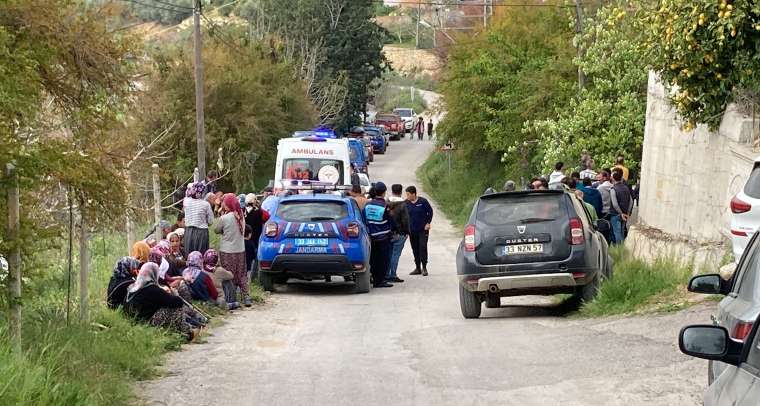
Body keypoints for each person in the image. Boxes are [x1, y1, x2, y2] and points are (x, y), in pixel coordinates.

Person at [125, 262, 196, 341]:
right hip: (147, 323)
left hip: (133, 321)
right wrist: (174, 293)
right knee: (175, 308)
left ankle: (176, 332)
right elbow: (177, 302)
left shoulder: (132, 286)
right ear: (154, 273)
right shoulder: (152, 289)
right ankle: (185, 332)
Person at [214, 193, 251, 306]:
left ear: (228, 204)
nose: (223, 204)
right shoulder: (241, 217)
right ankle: (246, 297)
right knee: (241, 274)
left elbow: (216, 230)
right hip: (240, 250)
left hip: (227, 251)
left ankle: (231, 297)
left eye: (225, 203)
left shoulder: (224, 218)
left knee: (229, 274)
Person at [363, 183, 395, 288]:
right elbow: (391, 221)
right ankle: (380, 281)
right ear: (384, 192)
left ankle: (374, 278)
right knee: (384, 260)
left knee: (373, 259)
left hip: (371, 237)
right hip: (383, 237)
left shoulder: (367, 205)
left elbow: (364, 218)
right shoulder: (386, 205)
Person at [405, 185, 433, 276]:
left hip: (422, 230)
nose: (407, 196)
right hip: (412, 231)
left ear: (414, 194)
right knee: (415, 249)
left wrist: (428, 223)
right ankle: (418, 268)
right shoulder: (406, 203)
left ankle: (424, 267)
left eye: (408, 194)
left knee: (423, 247)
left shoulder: (423, 201)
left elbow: (430, 211)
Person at [386, 184, 410, 284]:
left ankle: (386, 273)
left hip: (387, 233)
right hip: (399, 233)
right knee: (396, 254)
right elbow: (405, 220)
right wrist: (407, 232)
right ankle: (393, 274)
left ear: (392, 191)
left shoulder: (386, 202)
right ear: (401, 192)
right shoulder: (402, 204)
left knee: (388, 254)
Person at [183, 182, 215, 254]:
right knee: (201, 254)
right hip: (202, 233)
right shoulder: (205, 204)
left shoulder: (186, 201)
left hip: (189, 231)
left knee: (189, 253)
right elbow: (211, 221)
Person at [610, 170, 633, 244]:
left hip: (615, 214)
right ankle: (622, 248)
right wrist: (627, 213)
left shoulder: (613, 189)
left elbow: (615, 204)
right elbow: (631, 201)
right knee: (622, 232)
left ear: (613, 179)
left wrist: (621, 213)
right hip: (625, 213)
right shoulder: (626, 188)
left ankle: (619, 250)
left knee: (617, 233)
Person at [596, 169, 615, 243]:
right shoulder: (612, 186)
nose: (598, 179)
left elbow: (598, 200)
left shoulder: (600, 188)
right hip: (611, 210)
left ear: (604, 178)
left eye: (599, 177)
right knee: (611, 229)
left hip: (603, 211)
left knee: (603, 229)